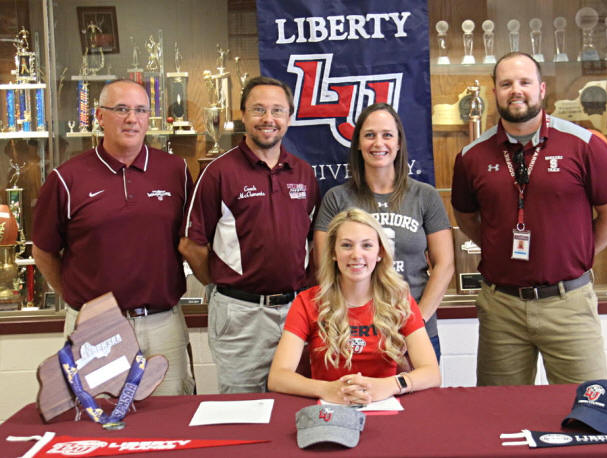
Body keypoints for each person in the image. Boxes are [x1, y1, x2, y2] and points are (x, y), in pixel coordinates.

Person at [451, 52, 607, 386]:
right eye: (506, 84)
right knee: (498, 416)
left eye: (524, 82)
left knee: (588, 408)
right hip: (501, 308)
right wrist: (497, 245)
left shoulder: (584, 145)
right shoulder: (471, 156)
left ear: (542, 89)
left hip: (568, 304)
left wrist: (579, 254)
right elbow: (465, 216)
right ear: (495, 92)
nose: (515, 90)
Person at [32, 79, 195, 395]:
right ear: (99, 116)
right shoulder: (66, 179)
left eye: (140, 110)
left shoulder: (175, 171)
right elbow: (44, 252)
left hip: (162, 324)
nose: (132, 119)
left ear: (149, 117)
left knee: (169, 424)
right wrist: (81, 303)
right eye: (121, 109)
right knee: (98, 424)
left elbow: (190, 241)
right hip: (95, 329)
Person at [179, 76, 320, 393]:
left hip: (295, 310)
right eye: (258, 110)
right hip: (240, 314)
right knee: (243, 407)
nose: (268, 119)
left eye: (277, 110)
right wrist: (222, 281)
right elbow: (190, 245)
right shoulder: (219, 172)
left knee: (295, 401)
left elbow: (313, 242)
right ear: (242, 115)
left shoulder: (303, 173)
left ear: (289, 117)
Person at [314, 103, 454, 362]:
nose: (378, 143)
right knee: (354, 401)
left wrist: (416, 323)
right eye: (369, 135)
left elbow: (444, 265)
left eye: (387, 135)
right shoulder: (337, 198)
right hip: (355, 332)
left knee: (421, 402)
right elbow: (324, 268)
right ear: (357, 143)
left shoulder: (425, 196)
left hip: (416, 330)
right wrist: (351, 321)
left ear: (399, 143)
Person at [268, 208, 441, 403]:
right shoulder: (307, 302)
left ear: (380, 252)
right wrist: (329, 390)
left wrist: (390, 385)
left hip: (385, 408)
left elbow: (432, 373)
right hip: (328, 412)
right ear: (333, 252)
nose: (356, 255)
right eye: (346, 245)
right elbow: (278, 377)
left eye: (367, 245)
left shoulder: (399, 301)